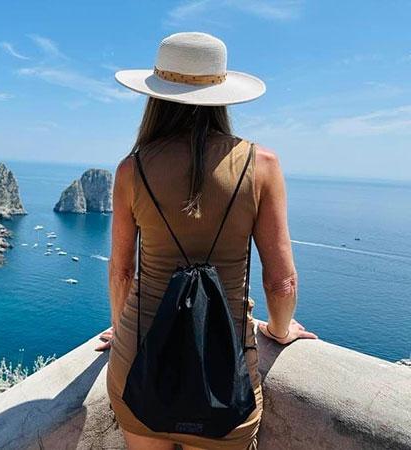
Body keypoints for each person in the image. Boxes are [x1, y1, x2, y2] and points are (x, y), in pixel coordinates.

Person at [95, 32, 318, 449]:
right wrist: (280, 329)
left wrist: (119, 328)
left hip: (136, 363)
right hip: (224, 376)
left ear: (155, 97)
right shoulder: (262, 166)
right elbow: (280, 282)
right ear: (223, 96)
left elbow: (122, 270)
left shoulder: (132, 169)